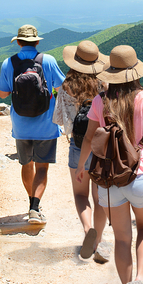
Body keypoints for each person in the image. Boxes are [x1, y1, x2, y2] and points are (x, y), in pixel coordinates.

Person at [76, 45, 143, 284]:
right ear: (135, 72)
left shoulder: (100, 102)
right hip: (140, 176)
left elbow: (89, 138)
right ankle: (140, 282)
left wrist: (82, 166)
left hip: (110, 180)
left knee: (122, 239)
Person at [0, 24, 65, 225]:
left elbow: (2, 93)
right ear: (37, 41)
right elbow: (61, 86)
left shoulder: (8, 63)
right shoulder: (49, 60)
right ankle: (34, 208)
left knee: (26, 164)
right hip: (46, 123)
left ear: (18, 42)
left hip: (21, 124)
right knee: (42, 167)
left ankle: (31, 203)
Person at [51, 40, 108, 258]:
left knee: (80, 194)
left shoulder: (66, 86)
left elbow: (59, 120)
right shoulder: (103, 85)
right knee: (99, 196)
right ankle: (99, 240)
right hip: (102, 147)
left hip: (77, 144)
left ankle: (87, 229)